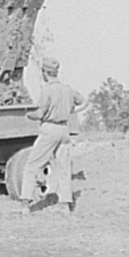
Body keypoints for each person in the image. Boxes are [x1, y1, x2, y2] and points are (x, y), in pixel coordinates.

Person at [20, 57, 88, 213]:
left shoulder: (47, 90)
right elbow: (84, 102)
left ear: (44, 73)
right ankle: (65, 204)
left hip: (50, 130)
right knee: (64, 168)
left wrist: (28, 115)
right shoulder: (68, 89)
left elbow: (39, 113)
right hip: (64, 130)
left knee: (32, 166)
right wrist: (71, 111)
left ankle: (25, 205)